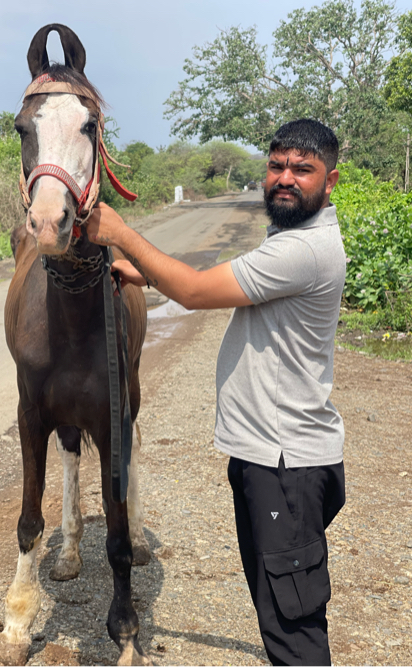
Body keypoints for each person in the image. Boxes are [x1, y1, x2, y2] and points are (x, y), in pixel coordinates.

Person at [87, 119, 346, 666]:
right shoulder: (290, 237)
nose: (285, 178)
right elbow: (224, 277)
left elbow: (196, 290)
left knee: (293, 633)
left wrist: (121, 235)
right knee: (277, 612)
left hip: (285, 466)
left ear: (331, 179)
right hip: (270, 458)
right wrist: (143, 274)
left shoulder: (305, 250)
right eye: (277, 165)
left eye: (303, 170)